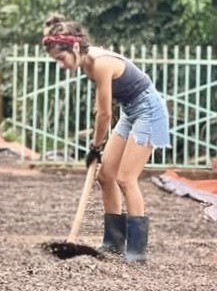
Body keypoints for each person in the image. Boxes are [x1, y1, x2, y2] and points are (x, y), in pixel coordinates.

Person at [41, 15, 170, 262]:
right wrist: (96, 146)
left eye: (60, 58)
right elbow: (102, 109)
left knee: (126, 177)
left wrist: (95, 146)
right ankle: (113, 243)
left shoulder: (100, 64)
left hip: (149, 110)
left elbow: (104, 113)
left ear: (76, 48)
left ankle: (136, 252)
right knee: (105, 175)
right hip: (131, 111)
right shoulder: (88, 63)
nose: (60, 64)